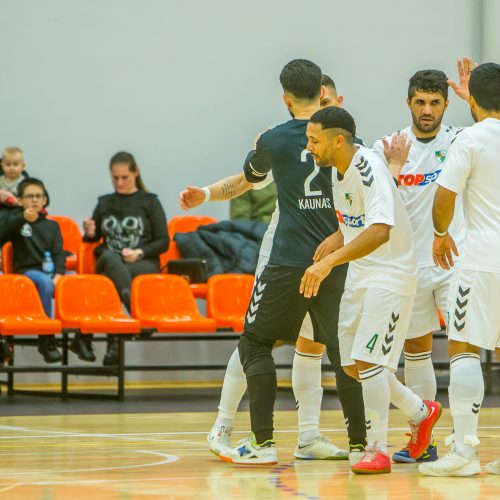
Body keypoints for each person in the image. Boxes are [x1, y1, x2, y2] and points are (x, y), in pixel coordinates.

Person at [182, 60, 366, 466]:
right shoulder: (349, 143)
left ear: (284, 97)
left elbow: (247, 179)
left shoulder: (272, 140)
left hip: (287, 259)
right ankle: (360, 446)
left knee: (256, 343)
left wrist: (206, 194)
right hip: (335, 258)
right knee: (341, 353)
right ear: (322, 92)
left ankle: (265, 443)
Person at [303, 106, 442, 474]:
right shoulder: (337, 171)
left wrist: (327, 263)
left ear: (337, 140)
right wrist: (338, 238)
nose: (309, 147)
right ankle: (421, 411)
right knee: (353, 366)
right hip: (361, 274)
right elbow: (361, 219)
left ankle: (378, 448)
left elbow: (381, 229)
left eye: (314, 140)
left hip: (391, 274)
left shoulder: (368, 167)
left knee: (372, 362)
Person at [371, 61, 474, 463]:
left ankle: (465, 443)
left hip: (453, 260)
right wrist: (393, 169)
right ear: (408, 103)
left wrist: (476, 102)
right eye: (420, 102)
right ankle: (423, 437)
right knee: (417, 350)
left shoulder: (463, 139)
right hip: (409, 265)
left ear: (447, 105)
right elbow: (372, 199)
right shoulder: (389, 146)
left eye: (434, 102)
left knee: (465, 347)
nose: (427, 110)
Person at [419, 62, 500, 477]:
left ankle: (465, 454)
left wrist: (439, 233)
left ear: (473, 101)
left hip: (482, 260)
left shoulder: (469, 138)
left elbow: (445, 194)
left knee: (463, 346)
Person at [81, 151, 169, 365]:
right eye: (115, 178)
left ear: (135, 173)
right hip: (108, 259)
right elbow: (93, 239)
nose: (119, 183)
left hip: (142, 263)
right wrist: (90, 232)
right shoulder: (104, 202)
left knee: (111, 281)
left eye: (124, 178)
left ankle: (95, 340)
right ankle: (136, 310)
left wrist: (139, 252)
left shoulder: (149, 202)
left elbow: (163, 241)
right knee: (111, 259)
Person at [0, 178, 64, 363]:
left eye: (39, 196)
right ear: (20, 200)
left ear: (45, 200)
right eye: (29, 196)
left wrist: (59, 275)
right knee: (43, 281)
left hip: (51, 271)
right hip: (26, 273)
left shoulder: (52, 226)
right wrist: (21, 217)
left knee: (62, 283)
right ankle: (46, 338)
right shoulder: (15, 222)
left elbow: (59, 253)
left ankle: (82, 338)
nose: (35, 200)